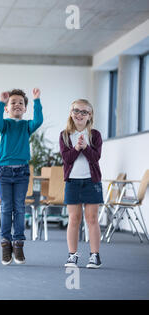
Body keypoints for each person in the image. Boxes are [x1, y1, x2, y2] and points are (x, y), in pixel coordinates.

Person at [0, 88, 43, 265]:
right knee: (6, 208)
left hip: (22, 171)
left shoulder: (26, 125)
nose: (17, 105)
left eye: (21, 103)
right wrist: (0, 103)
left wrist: (36, 100)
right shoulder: (5, 125)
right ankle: (6, 244)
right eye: (13, 102)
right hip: (5, 171)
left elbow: (38, 121)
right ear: (7, 108)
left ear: (25, 108)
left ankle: (18, 243)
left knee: (19, 208)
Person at [59, 99, 103, 269]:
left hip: (92, 181)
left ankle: (95, 256)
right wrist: (77, 148)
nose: (79, 114)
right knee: (74, 218)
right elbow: (67, 159)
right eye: (76, 110)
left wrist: (85, 147)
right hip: (72, 182)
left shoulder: (95, 135)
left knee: (92, 219)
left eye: (84, 112)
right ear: (71, 113)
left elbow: (95, 158)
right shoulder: (65, 135)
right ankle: (72, 255)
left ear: (89, 115)